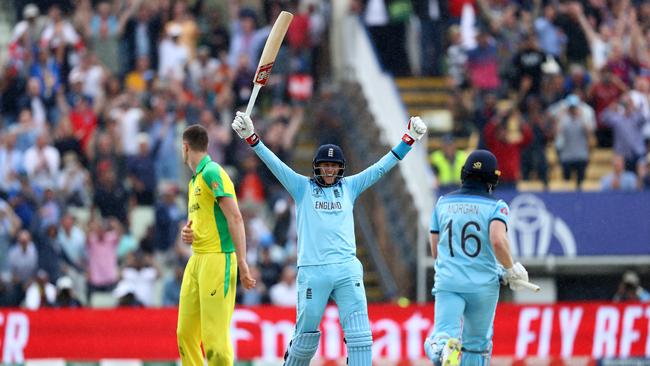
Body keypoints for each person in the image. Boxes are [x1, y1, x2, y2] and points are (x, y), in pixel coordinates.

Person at [231, 112, 428, 365]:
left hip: (347, 268)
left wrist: (408, 139)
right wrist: (252, 138)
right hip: (313, 271)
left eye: (334, 166)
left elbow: (380, 168)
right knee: (305, 338)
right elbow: (275, 164)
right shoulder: (302, 187)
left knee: (360, 336)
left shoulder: (349, 187)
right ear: (317, 166)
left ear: (340, 168)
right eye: (325, 165)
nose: (329, 169)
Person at [423, 150, 530, 366]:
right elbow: (498, 241)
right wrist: (509, 269)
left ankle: (442, 350)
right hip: (483, 286)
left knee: (442, 334)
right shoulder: (497, 206)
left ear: (464, 174)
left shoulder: (442, 203)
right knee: (477, 346)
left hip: (450, 282)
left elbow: (436, 252)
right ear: (493, 178)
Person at [177, 124, 256, 365]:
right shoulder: (194, 181)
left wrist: (242, 262)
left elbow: (235, 217)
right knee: (186, 335)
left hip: (217, 259)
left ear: (185, 147)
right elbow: (206, 220)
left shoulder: (212, 172)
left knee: (215, 343)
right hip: (197, 260)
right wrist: (189, 234)